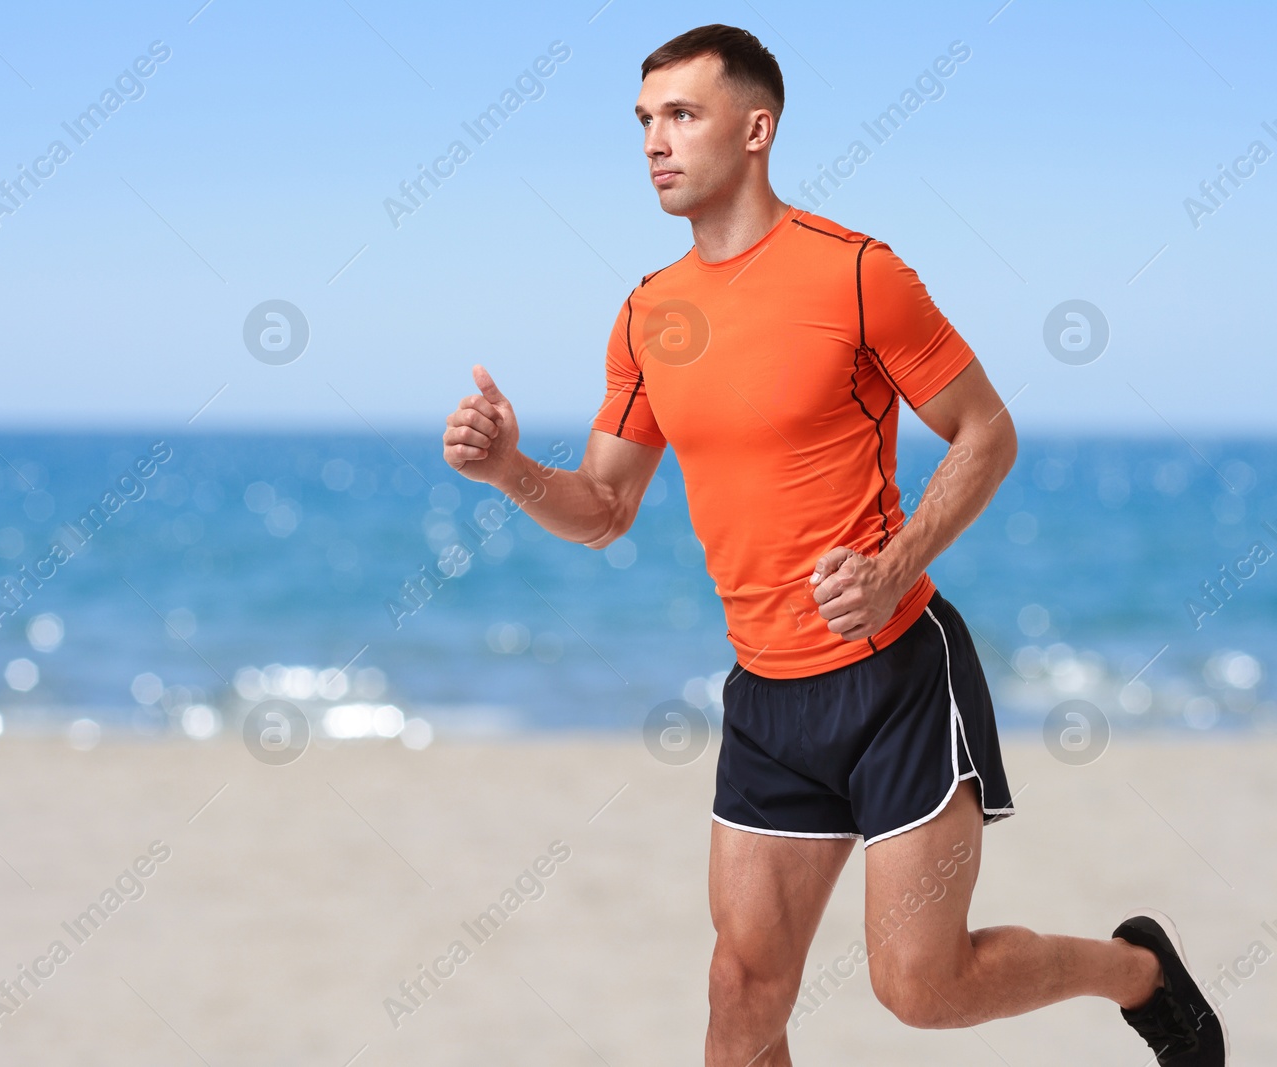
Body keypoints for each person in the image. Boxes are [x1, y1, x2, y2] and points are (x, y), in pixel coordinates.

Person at [440, 23, 1228, 1067]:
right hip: (765, 700)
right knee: (741, 994)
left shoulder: (857, 274)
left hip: (894, 675)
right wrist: (509, 472)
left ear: (756, 128)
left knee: (920, 987)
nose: (653, 142)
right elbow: (602, 506)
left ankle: (1138, 971)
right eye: (643, 121)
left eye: (681, 115)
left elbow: (986, 432)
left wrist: (893, 563)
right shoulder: (647, 314)